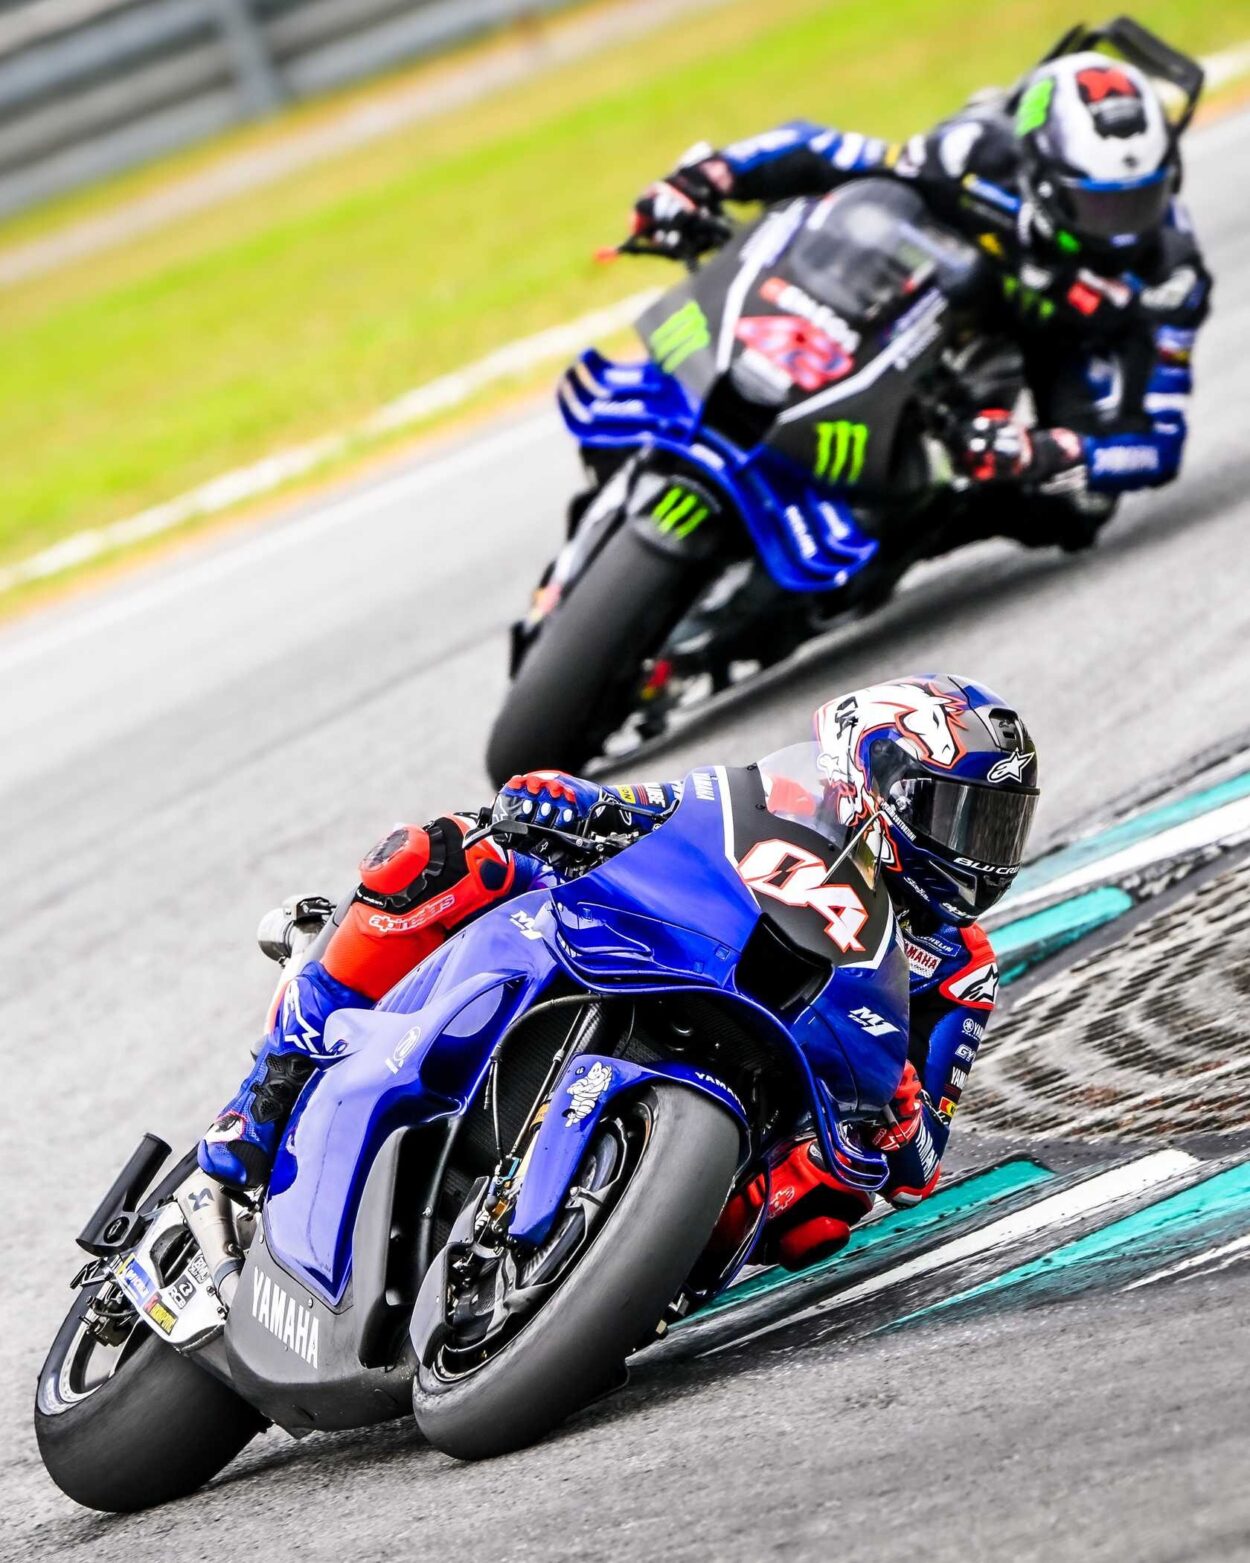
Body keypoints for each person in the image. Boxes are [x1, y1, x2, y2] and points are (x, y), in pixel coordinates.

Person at [200, 673, 1037, 1273]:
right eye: (958, 813)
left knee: (822, 1213)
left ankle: (618, 1280)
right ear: (875, 781)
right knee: (440, 856)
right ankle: (272, 1085)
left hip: (777, 1101)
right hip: (674, 958)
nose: (978, 849)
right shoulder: (784, 797)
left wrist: (898, 1115)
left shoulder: (962, 968)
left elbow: (921, 1165)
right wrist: (576, 804)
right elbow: (665, 813)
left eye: (998, 827)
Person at [629, 40, 1209, 552]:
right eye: (1100, 204)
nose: (1121, 230)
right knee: (853, 221)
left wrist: (1051, 451)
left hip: (1055, 340)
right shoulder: (970, 152)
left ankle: (912, 527)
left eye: (1140, 200)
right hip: (933, 285)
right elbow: (822, 149)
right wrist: (705, 178)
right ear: (1042, 172)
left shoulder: (1171, 277)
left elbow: (1158, 444)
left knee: (1078, 508)